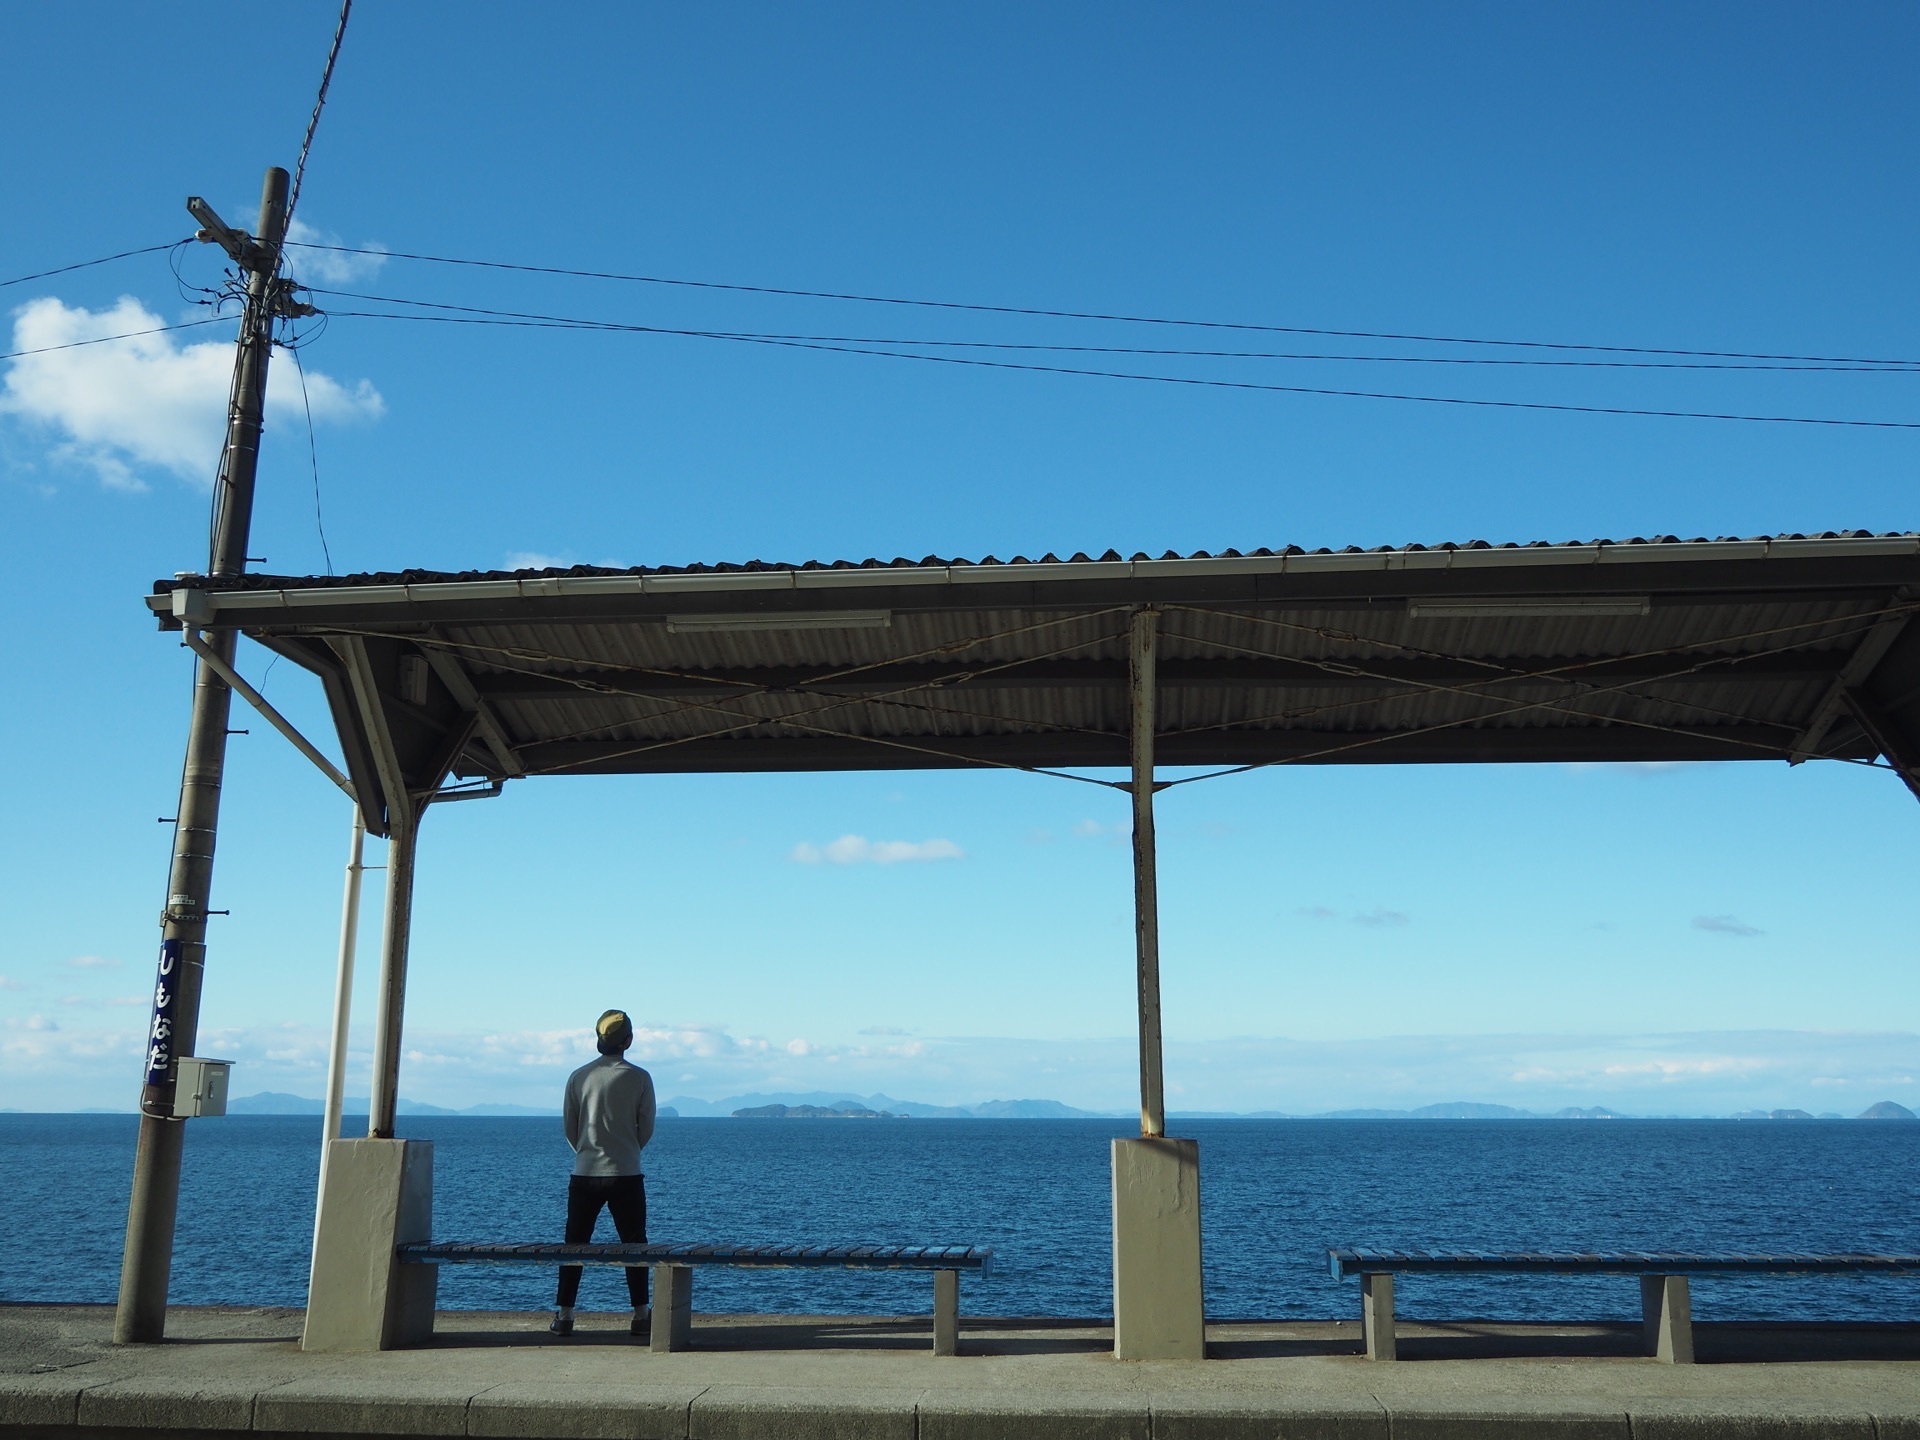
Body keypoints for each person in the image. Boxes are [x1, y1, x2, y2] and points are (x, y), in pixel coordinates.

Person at [551, 1008, 657, 1336]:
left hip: (583, 1174)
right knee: (634, 1245)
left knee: (574, 1245)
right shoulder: (639, 1077)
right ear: (629, 1040)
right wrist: (627, 1152)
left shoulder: (578, 1076)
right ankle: (640, 1315)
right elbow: (647, 1128)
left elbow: (570, 1128)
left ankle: (565, 1315)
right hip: (626, 1173)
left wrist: (585, 1153)